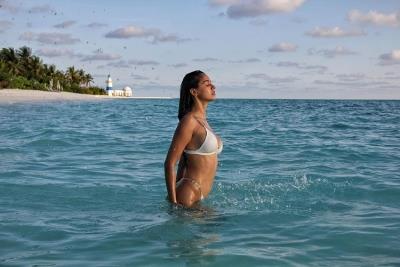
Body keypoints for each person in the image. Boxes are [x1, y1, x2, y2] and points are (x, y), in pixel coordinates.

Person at [164, 70, 223, 207]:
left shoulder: (203, 121)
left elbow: (185, 161)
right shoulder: (189, 121)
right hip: (188, 193)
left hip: (198, 194)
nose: (213, 87)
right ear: (194, 92)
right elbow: (170, 163)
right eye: (206, 83)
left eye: (212, 83)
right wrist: (174, 204)